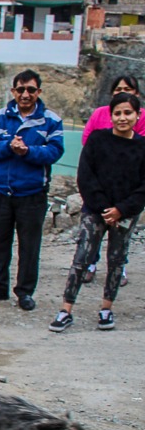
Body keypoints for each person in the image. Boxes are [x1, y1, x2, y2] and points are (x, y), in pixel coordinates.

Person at [49, 92, 145, 332]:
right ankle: (66, 309)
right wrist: (104, 208)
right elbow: (86, 176)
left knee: (116, 260)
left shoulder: (142, 146)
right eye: (118, 113)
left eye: (128, 113)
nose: (122, 118)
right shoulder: (97, 140)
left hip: (125, 214)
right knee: (82, 258)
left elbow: (143, 186)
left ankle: (106, 308)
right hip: (96, 211)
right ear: (110, 115)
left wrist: (121, 210)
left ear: (137, 115)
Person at [0, 69, 64, 311]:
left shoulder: (51, 121)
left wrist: (28, 151)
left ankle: (25, 292)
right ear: (13, 91)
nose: (25, 94)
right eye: (20, 89)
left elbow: (55, 152)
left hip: (32, 194)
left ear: (39, 92)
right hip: (1, 191)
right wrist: (8, 147)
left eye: (31, 90)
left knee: (29, 245)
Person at [79, 74, 141, 287]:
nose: (122, 117)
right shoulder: (99, 114)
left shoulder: (139, 120)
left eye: (127, 88)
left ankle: (118, 269)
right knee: (90, 235)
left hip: (127, 191)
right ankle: (90, 264)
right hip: (100, 187)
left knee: (121, 239)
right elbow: (87, 140)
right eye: (118, 88)